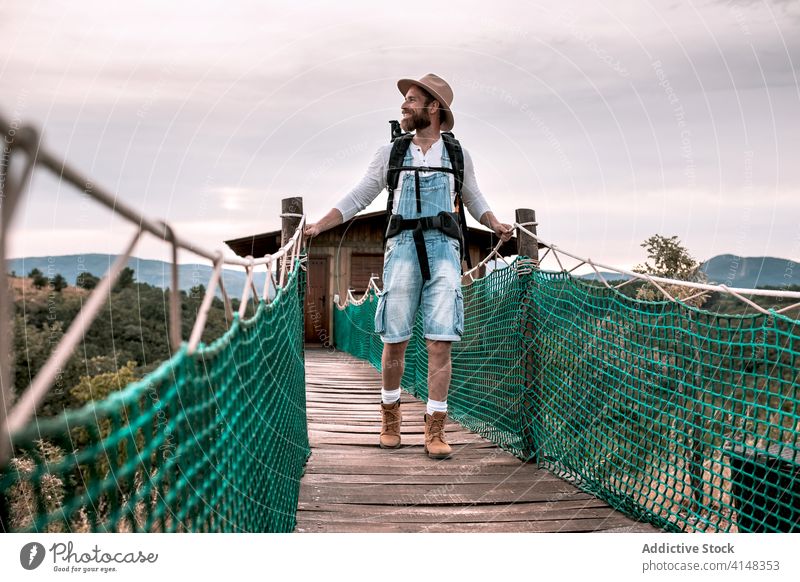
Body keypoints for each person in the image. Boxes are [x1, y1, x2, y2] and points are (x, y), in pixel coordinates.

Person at [304, 73, 512, 459]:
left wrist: (495, 223)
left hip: (445, 249)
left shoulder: (457, 155)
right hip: (400, 247)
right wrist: (319, 225)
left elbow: (473, 197)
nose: (404, 105)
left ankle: (435, 429)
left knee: (440, 340)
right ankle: (390, 417)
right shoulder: (391, 154)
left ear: (433, 108)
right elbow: (360, 195)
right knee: (394, 338)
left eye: (412, 100)